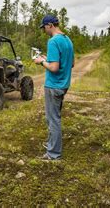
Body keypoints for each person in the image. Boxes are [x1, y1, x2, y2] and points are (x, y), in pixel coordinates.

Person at [34, 14, 74, 160]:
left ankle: (53, 154)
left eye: (44, 27)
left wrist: (41, 62)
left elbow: (54, 67)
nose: (44, 30)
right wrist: (47, 59)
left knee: (53, 119)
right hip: (64, 85)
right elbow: (71, 63)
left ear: (50, 25)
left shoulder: (53, 41)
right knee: (54, 117)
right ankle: (52, 144)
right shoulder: (67, 40)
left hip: (53, 86)